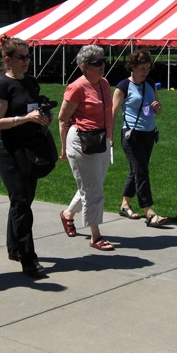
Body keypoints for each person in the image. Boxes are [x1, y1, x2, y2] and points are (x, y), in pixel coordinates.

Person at [0, 36, 52, 278]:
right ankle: (28, 258)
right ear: (8, 60)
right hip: (9, 152)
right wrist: (25, 119)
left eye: (28, 56)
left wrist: (42, 117)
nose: (27, 61)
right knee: (21, 202)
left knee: (21, 201)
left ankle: (14, 248)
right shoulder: (2, 86)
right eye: (22, 57)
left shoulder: (31, 82)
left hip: (30, 149)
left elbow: (33, 110)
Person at [58, 45, 115, 251]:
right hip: (80, 141)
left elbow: (108, 113)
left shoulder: (104, 83)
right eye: (96, 63)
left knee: (92, 185)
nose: (102, 66)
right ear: (84, 67)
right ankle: (96, 236)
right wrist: (63, 148)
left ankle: (68, 214)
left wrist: (109, 138)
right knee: (93, 189)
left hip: (100, 140)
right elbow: (63, 119)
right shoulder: (76, 87)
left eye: (103, 61)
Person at [111, 50, 167, 227]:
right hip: (131, 134)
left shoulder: (150, 83)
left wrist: (157, 108)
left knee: (136, 171)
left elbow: (157, 110)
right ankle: (149, 212)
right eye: (142, 68)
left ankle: (125, 204)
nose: (145, 72)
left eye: (148, 68)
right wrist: (109, 136)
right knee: (141, 171)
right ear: (132, 67)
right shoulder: (123, 87)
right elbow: (112, 113)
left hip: (149, 132)